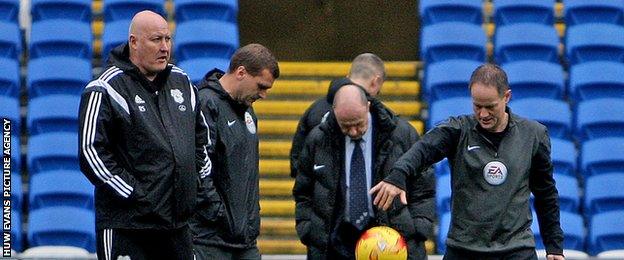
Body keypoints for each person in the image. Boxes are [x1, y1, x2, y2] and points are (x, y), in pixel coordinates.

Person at [371, 64, 565, 260]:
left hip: (516, 250)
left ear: (506, 97)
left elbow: (546, 194)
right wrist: (398, 175)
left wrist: (554, 246)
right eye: (477, 106)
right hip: (464, 250)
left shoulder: (533, 135)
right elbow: (423, 150)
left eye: (490, 106)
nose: (483, 114)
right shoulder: (457, 130)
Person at [78, 11, 211, 260]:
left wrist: (193, 184)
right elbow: (91, 152)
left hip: (176, 226)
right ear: (134, 42)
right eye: (156, 40)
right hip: (127, 226)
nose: (164, 48)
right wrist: (135, 193)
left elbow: (201, 138)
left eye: (168, 39)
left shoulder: (182, 82)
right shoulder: (105, 88)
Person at [293, 85, 435, 259]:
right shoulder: (318, 139)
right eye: (345, 126)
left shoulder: (401, 134)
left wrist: (418, 227)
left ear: (368, 106)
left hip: (393, 240)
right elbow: (303, 191)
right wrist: (308, 230)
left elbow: (424, 185)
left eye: (359, 124)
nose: (353, 131)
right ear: (334, 112)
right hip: (335, 243)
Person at [190, 43, 279, 260]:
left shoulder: (248, 112)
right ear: (241, 72)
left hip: (244, 240)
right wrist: (220, 215)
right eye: (261, 86)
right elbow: (198, 166)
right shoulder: (206, 104)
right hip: (210, 239)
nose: (264, 95)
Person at [289, 53, 386, 178]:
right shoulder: (376, 113)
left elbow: (297, 162)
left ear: (348, 77)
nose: (353, 131)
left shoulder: (314, 110)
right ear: (376, 81)